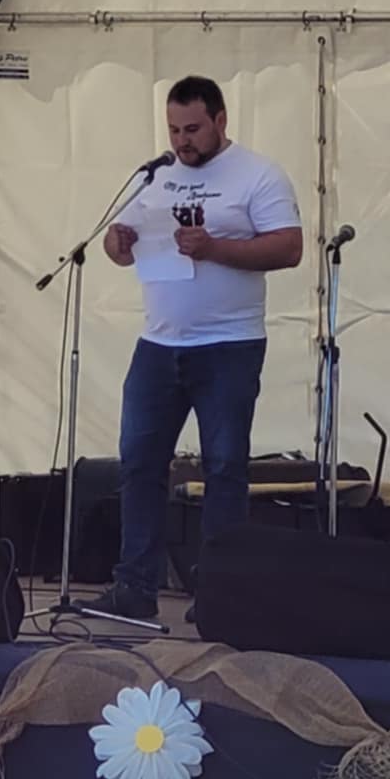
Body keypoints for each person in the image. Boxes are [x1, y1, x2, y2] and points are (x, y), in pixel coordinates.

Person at [90, 75, 303, 620]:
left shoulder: (258, 174)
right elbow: (119, 244)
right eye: (173, 129)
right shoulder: (155, 176)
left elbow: (289, 248)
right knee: (140, 463)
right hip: (158, 343)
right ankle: (135, 587)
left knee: (224, 467)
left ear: (220, 120)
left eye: (192, 129)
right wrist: (117, 243)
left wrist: (214, 248)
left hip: (228, 344)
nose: (182, 141)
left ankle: (220, 592)